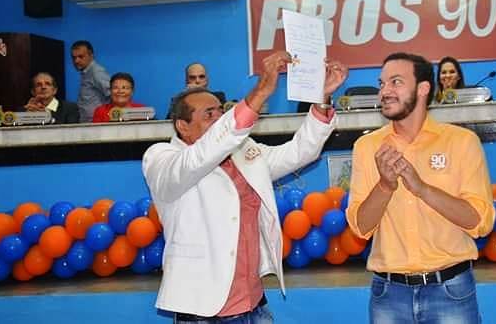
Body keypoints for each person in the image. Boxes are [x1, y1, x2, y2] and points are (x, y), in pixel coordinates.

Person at [142, 51, 347, 322]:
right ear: (183, 126)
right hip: (204, 312)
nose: (219, 118)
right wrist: (260, 92)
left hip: (254, 305)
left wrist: (322, 99)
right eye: (209, 114)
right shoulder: (162, 158)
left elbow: (299, 152)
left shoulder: (244, 151)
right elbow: (200, 157)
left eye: (220, 111)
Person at [346, 52, 495, 324]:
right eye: (382, 83)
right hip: (388, 296)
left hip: (451, 291)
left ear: (423, 88)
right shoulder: (367, 147)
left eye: (396, 82)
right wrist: (385, 185)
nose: (384, 92)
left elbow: (480, 222)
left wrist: (422, 189)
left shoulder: (462, 142)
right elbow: (360, 228)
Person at [71, 40, 110, 122]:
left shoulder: (96, 72)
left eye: (81, 56)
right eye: (74, 57)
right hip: (87, 123)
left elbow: (113, 95)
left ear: (91, 55)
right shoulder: (86, 72)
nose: (76, 61)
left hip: (95, 123)